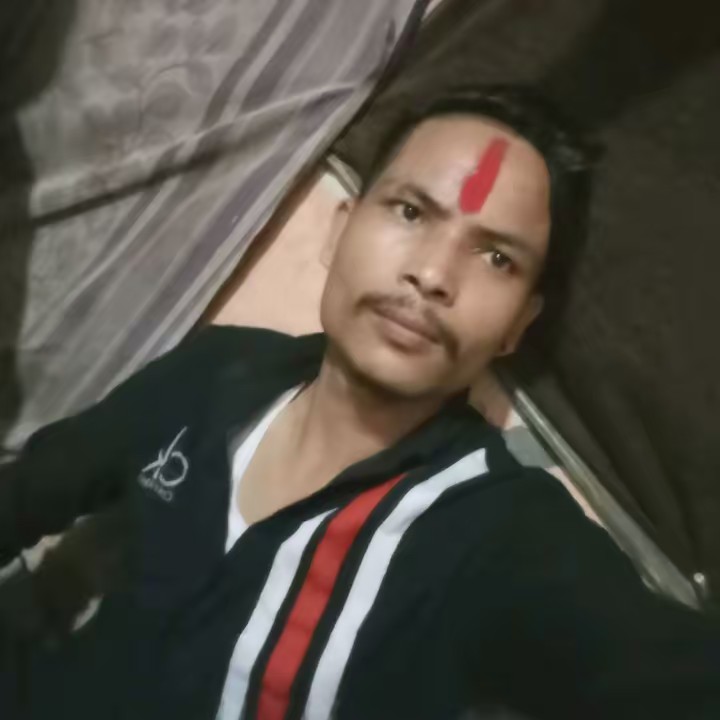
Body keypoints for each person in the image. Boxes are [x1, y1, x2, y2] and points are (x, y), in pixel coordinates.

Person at [1, 86, 719, 720]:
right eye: (410, 211)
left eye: (497, 257)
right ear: (340, 226)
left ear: (518, 325)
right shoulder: (213, 372)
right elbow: (29, 489)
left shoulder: (495, 533)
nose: (432, 274)